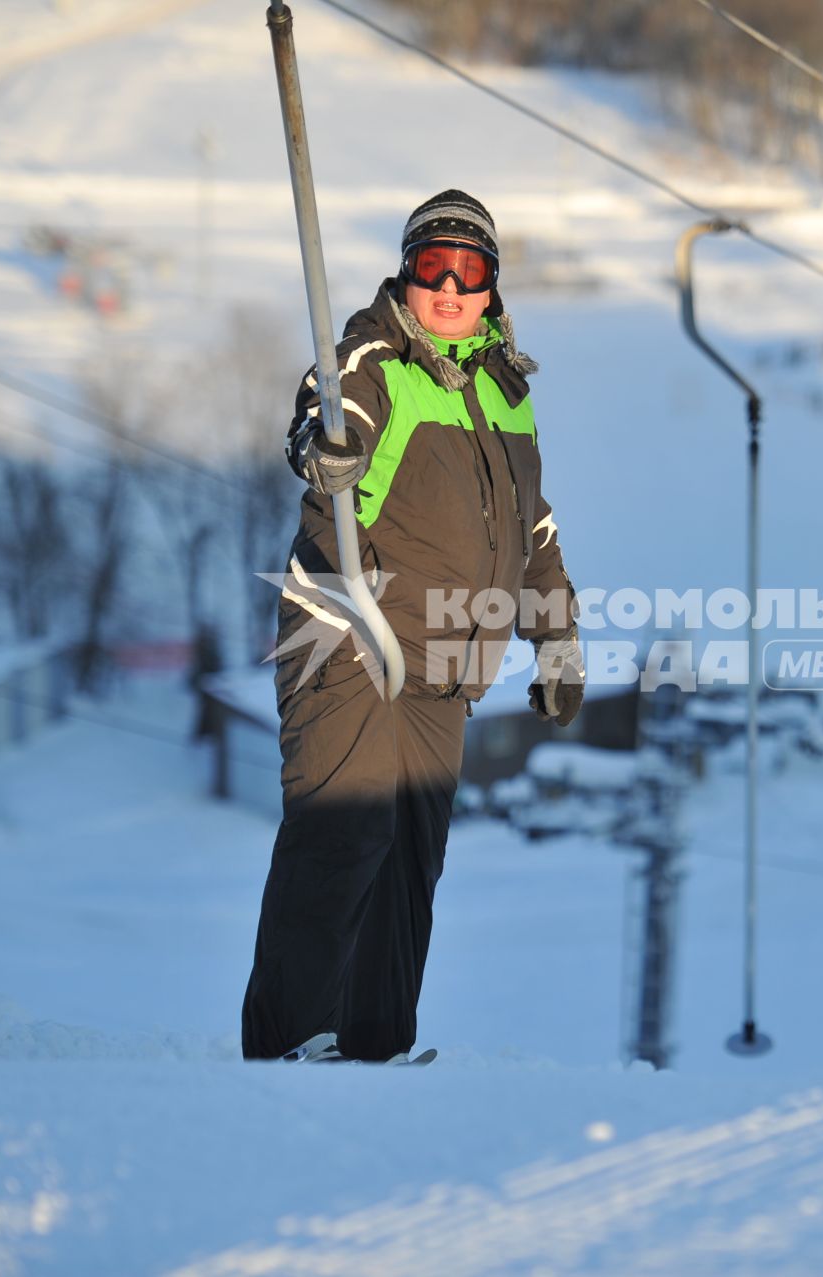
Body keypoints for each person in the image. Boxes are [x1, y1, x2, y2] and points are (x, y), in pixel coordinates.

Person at [242, 190, 585, 1063]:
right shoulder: (370, 355)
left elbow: (531, 527)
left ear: (492, 288)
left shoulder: (508, 395)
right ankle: (289, 1041)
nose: (447, 285)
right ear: (406, 271)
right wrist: (324, 452)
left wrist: (558, 636)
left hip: (445, 664)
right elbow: (328, 416)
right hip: (348, 632)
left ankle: (374, 1046)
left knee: (408, 869)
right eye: (431, 263)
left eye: (467, 269)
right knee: (343, 830)